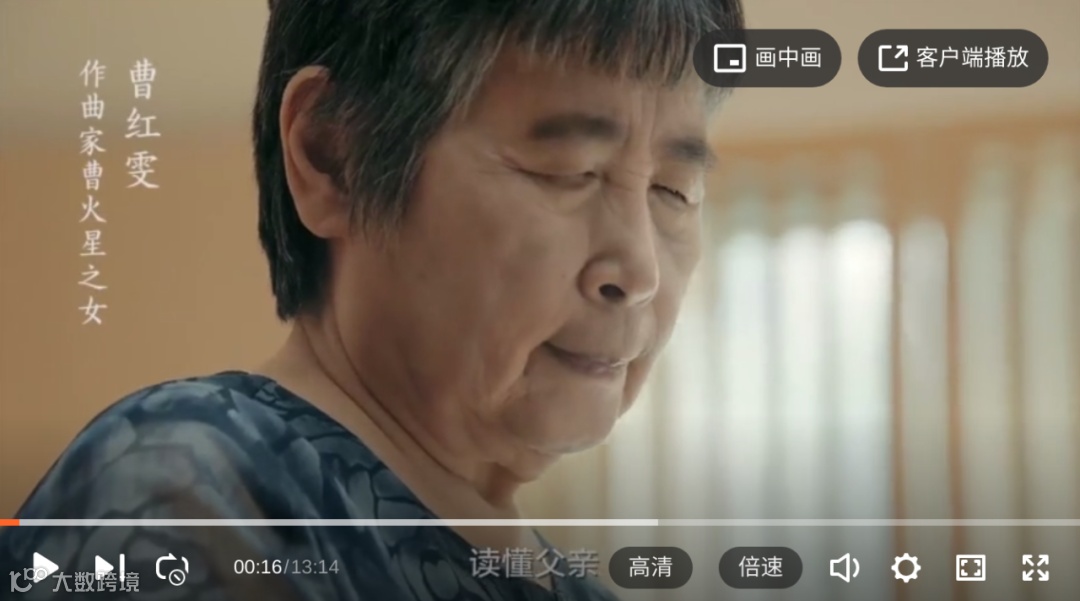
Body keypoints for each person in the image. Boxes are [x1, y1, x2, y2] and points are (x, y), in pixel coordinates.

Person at [0, 0, 743, 598]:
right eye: (568, 171)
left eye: (674, 191)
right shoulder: (187, 485)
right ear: (334, 157)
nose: (639, 269)